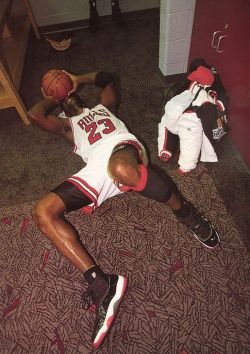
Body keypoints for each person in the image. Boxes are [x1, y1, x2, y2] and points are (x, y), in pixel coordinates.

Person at [28, 69, 220, 349]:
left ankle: (187, 213)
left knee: (120, 167)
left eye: (74, 96)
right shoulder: (67, 126)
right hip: (95, 168)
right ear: (61, 109)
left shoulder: (105, 106)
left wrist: (75, 80)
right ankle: (100, 284)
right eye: (65, 102)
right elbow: (34, 115)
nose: (71, 100)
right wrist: (52, 96)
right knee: (41, 212)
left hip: (124, 149)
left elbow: (107, 78)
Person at [158, 59, 229, 174]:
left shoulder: (195, 86)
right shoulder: (211, 77)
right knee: (173, 124)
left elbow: (176, 106)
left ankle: (183, 162)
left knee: (187, 135)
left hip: (195, 116)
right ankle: (168, 150)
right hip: (208, 113)